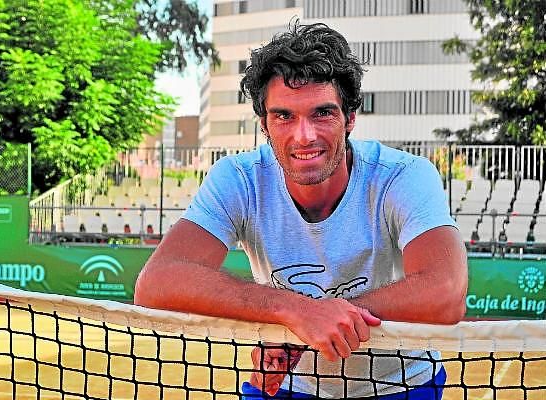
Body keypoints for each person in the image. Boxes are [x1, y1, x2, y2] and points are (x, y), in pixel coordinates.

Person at [134, 21, 467, 399]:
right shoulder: (238, 178)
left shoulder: (403, 175)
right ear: (264, 125)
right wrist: (294, 312)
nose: (304, 136)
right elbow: (156, 284)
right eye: (283, 116)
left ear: (350, 118)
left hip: (400, 383)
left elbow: (447, 293)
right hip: (288, 383)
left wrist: (317, 320)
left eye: (322, 113)